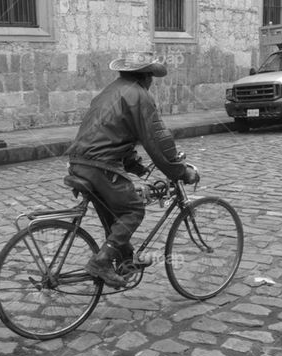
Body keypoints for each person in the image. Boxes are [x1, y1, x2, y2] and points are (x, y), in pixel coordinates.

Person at [65, 50, 199, 288]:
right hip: (100, 165)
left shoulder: (108, 92)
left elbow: (109, 133)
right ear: (146, 77)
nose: (151, 83)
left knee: (115, 215)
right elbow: (158, 141)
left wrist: (134, 165)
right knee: (133, 210)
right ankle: (102, 261)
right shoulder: (139, 96)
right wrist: (180, 172)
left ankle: (126, 262)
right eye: (151, 78)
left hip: (80, 162)